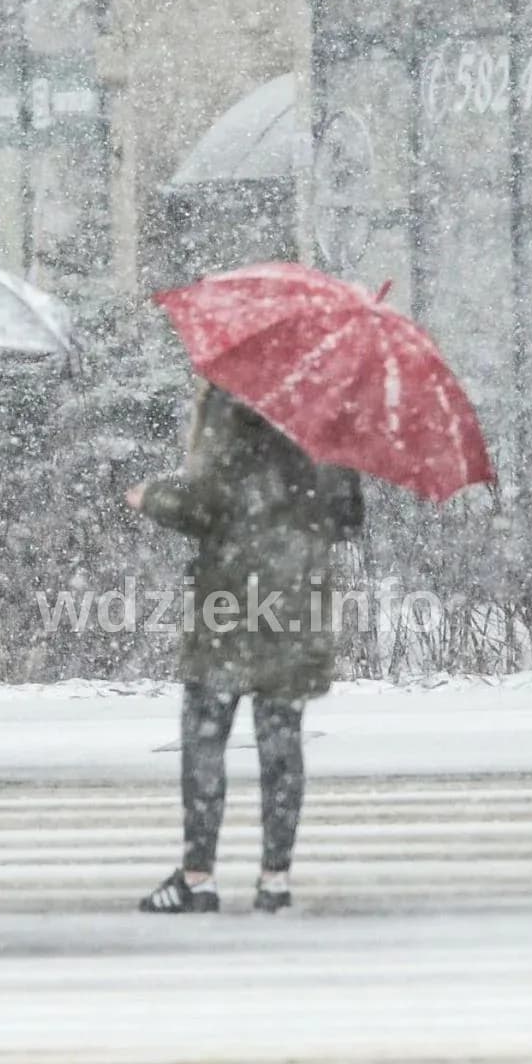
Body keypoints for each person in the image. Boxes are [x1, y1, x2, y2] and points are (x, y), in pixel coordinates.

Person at [126, 383, 364, 914]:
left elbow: (207, 504)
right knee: (282, 746)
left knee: (206, 738)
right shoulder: (325, 413)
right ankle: (274, 881)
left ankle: (198, 876)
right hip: (299, 605)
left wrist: (153, 496)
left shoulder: (233, 402)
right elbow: (348, 517)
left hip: (230, 608)